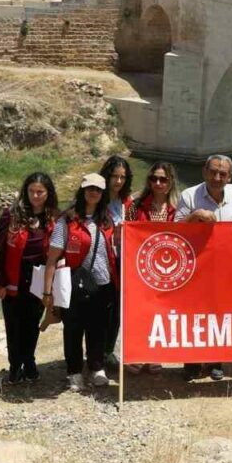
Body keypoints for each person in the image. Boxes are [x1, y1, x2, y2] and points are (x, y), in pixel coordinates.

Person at [175, 154, 232, 382]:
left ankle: (216, 360)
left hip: (226, 266)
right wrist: (194, 216)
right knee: (194, 315)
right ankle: (192, 361)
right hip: (196, 265)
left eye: (223, 173)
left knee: (221, 313)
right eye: (213, 172)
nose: (217, 177)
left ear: (230, 176)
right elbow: (175, 230)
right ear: (204, 172)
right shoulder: (189, 195)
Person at [43, 174, 118, 392]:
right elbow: (52, 258)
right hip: (74, 284)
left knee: (98, 328)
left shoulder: (106, 220)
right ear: (82, 190)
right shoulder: (67, 220)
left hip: (103, 283)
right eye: (90, 188)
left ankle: (96, 368)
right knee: (73, 329)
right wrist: (48, 293)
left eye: (98, 189)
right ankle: (74, 371)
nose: (93, 192)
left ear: (103, 194)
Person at [0, 172, 56, 384]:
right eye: (31, 191)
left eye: (40, 192)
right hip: (14, 277)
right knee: (14, 324)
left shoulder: (53, 217)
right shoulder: (10, 215)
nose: (35, 196)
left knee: (32, 323)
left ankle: (29, 361)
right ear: (25, 191)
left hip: (39, 278)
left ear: (48, 194)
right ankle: (14, 365)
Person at [124, 161, 178, 375]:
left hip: (168, 269)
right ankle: (137, 354)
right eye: (153, 178)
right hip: (140, 267)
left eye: (163, 179)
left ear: (171, 182)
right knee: (139, 312)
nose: (158, 183)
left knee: (161, 312)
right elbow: (127, 235)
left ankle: (154, 354)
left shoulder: (178, 208)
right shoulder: (135, 206)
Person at [99, 155, 133, 370]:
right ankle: (96, 353)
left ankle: (108, 350)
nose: (118, 181)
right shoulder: (96, 199)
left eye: (122, 177)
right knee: (102, 309)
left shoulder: (127, 202)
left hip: (124, 263)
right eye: (114, 176)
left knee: (117, 311)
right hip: (102, 263)